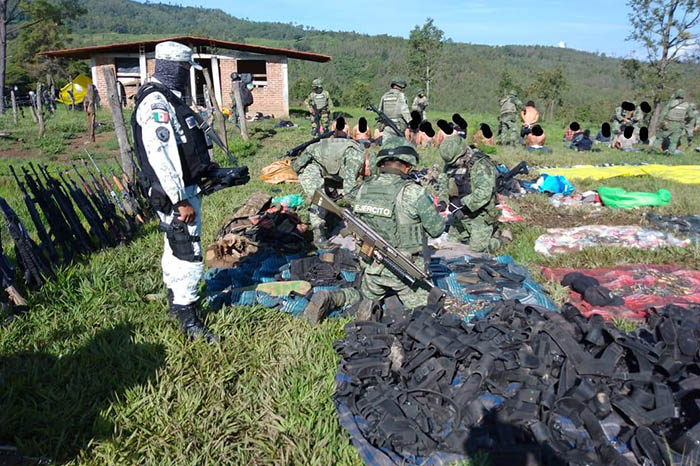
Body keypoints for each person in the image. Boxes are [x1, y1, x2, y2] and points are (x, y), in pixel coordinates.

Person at [132, 41, 222, 343]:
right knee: (187, 251)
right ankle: (189, 318)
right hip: (175, 194)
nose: (187, 74)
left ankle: (176, 305)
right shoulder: (156, 102)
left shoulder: (168, 98)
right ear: (175, 67)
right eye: (185, 69)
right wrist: (180, 200)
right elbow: (161, 155)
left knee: (174, 247)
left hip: (179, 189)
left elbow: (183, 147)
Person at [302, 143, 445, 324]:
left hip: (371, 265)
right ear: (407, 166)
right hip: (403, 269)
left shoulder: (363, 188)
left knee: (365, 295)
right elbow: (436, 229)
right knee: (431, 309)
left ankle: (335, 297)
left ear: (381, 164)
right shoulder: (413, 192)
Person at [291, 129, 366, 248]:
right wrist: (363, 210)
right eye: (367, 174)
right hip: (308, 164)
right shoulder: (356, 158)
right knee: (320, 199)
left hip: (324, 167)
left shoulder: (358, 154)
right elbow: (349, 190)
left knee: (334, 195)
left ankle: (330, 219)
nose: (364, 175)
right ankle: (319, 236)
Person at [438, 136, 502, 253]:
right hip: (460, 215)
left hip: (481, 215)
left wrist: (461, 204)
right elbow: (444, 183)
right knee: (451, 245)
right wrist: (442, 201)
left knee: (476, 251)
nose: (453, 165)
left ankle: (501, 239)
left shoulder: (481, 164)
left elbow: (484, 193)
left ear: (463, 154)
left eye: (455, 162)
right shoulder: (451, 164)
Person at [658, 89, 692, 153]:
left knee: (660, 139)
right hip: (679, 125)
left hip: (669, 124)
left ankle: (656, 151)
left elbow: (663, 113)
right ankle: (670, 153)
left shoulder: (671, 103)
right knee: (675, 141)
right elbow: (691, 116)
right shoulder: (686, 105)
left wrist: (660, 122)